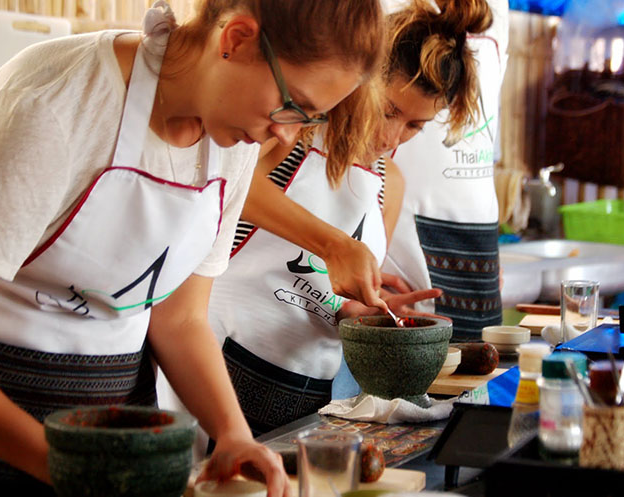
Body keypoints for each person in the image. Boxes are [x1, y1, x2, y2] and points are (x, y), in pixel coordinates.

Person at [0, 0, 384, 494]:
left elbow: (180, 317)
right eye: (291, 105)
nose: (285, 133)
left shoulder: (231, 144)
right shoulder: (60, 103)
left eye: (308, 119)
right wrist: (63, 467)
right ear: (234, 38)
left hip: (127, 421)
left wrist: (233, 434)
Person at [204, 0, 493, 436]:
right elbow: (229, 188)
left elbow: (330, 295)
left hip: (306, 391)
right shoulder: (290, 129)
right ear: (362, 80)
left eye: (415, 125)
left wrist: (366, 311)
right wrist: (333, 244)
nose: (393, 136)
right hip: (220, 366)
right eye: (390, 110)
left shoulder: (387, 183)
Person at [383, 0, 510, 341]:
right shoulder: (384, 8)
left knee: (478, 383)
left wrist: (490, 239)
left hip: (479, 244)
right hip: (400, 241)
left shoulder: (496, 10)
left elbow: (484, 130)